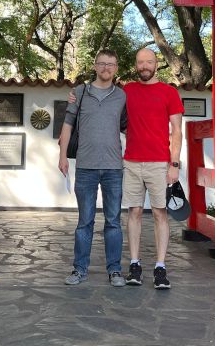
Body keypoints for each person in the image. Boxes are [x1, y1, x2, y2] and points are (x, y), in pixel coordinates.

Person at [58, 49, 128, 287]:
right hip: (86, 167)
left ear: (116, 68)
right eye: (102, 64)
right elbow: (67, 126)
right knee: (84, 221)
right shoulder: (80, 93)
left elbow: (131, 127)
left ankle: (115, 270)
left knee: (113, 221)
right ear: (95, 66)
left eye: (111, 64)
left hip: (113, 168)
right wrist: (62, 156)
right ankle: (79, 269)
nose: (106, 68)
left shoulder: (122, 96)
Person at [122, 48, 183, 289]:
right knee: (134, 212)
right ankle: (134, 264)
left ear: (157, 64)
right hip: (132, 162)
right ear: (136, 65)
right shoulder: (127, 91)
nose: (144, 66)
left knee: (160, 213)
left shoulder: (169, 92)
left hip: (160, 163)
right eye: (140, 62)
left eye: (149, 62)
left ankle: (160, 267)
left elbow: (177, 131)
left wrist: (174, 163)